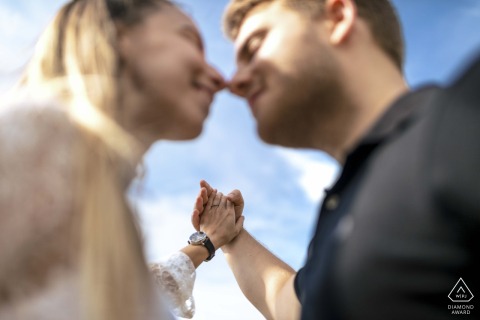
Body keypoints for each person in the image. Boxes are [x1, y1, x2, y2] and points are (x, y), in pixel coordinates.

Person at [193, 0, 480, 319]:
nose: (236, 82)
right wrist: (231, 237)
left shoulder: (465, 116)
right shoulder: (341, 213)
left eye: (256, 46)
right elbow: (286, 302)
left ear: (338, 18)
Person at [0, 0, 243, 320]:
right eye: (188, 39)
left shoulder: (98, 203)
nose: (220, 76)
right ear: (118, 38)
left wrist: (208, 242)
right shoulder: (27, 148)